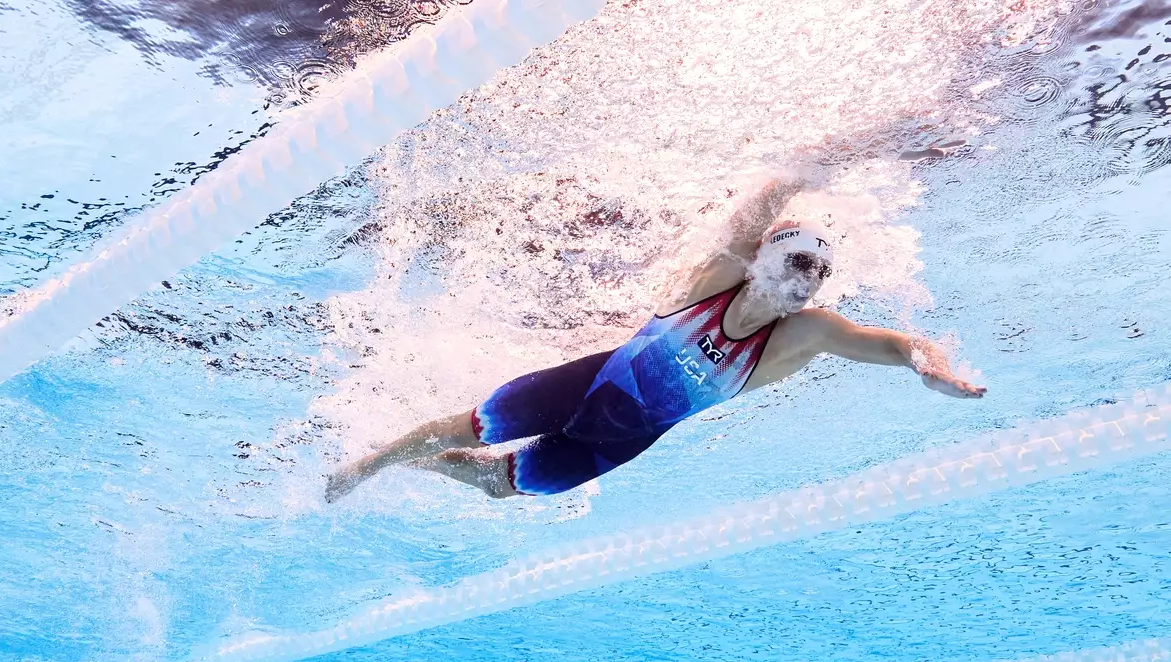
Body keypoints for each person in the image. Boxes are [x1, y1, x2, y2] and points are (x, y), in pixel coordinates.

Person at [325, 176, 984, 502]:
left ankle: (408, 462)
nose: (807, 280)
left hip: (621, 440)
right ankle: (367, 465)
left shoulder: (803, 335)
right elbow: (754, 211)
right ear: (765, 259)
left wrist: (931, 366)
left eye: (819, 272)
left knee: (502, 487)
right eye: (799, 262)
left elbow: (893, 344)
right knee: (470, 427)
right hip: (581, 387)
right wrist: (801, 172)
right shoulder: (717, 279)